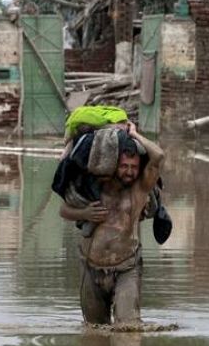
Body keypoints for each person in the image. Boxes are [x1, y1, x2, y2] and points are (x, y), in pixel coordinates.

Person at [60, 121, 164, 325]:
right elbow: (63, 210)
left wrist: (134, 134)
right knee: (94, 333)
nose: (129, 172)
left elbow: (159, 156)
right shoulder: (93, 186)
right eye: (124, 166)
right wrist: (85, 213)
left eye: (134, 167)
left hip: (127, 267)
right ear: (114, 164)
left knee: (129, 327)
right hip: (91, 268)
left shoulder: (140, 189)